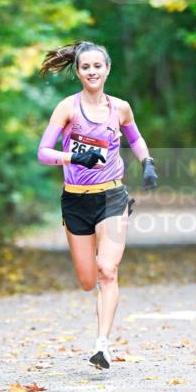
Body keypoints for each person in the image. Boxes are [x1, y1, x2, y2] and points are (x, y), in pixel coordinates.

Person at [37, 39, 158, 369]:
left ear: (107, 69)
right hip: (75, 201)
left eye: (97, 66)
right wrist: (75, 155)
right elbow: (43, 152)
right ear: (78, 72)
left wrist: (147, 161)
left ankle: (102, 346)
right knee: (88, 280)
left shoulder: (120, 108)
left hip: (112, 197)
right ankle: (101, 339)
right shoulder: (67, 108)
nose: (92, 71)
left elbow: (135, 138)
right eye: (85, 67)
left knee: (108, 270)